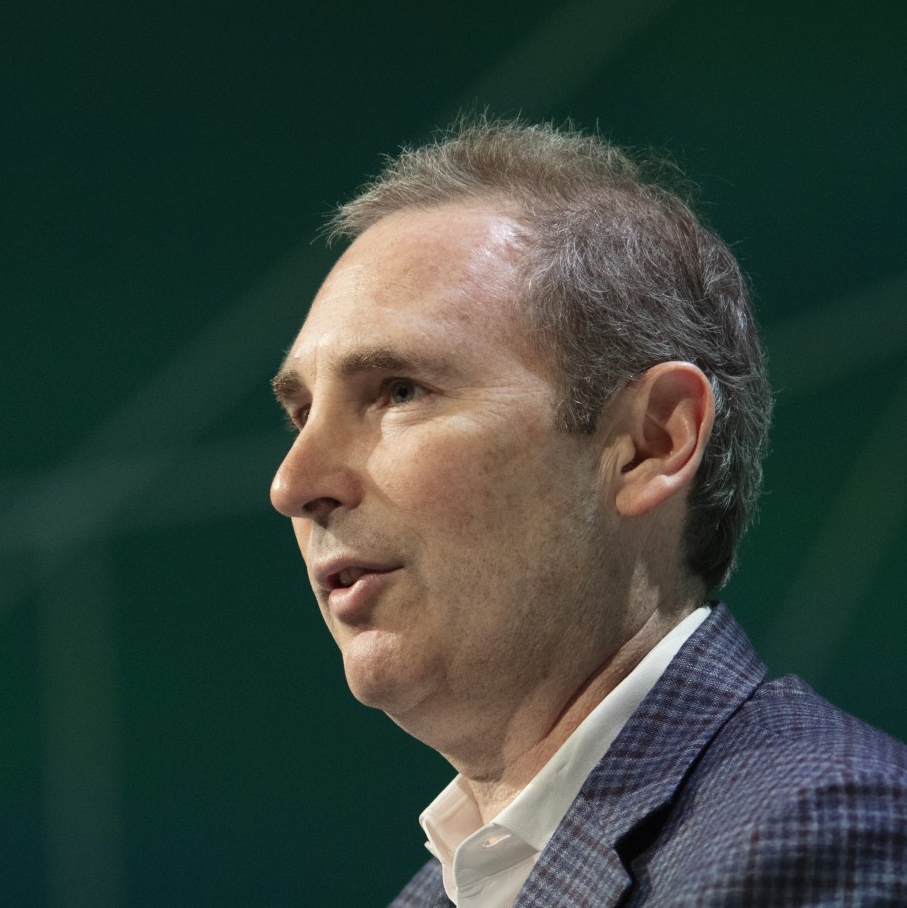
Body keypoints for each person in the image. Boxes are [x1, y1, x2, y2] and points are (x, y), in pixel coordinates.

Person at [268, 119, 907, 906]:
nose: (294, 484)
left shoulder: (816, 837)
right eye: (300, 414)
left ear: (649, 442)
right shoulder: (439, 893)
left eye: (400, 391)